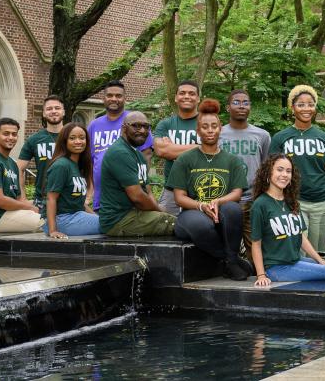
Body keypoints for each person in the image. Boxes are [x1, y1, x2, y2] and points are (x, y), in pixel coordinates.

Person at [169, 99, 252, 280]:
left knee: (233, 209)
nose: (210, 130)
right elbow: (179, 197)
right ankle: (230, 260)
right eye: (205, 127)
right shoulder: (185, 159)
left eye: (214, 126)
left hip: (220, 213)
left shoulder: (232, 160)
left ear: (220, 128)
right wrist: (201, 206)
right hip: (191, 214)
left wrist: (217, 201)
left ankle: (230, 261)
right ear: (198, 131)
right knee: (201, 225)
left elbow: (237, 193)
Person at [270, 85, 325, 255]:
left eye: (310, 104)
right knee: (299, 251)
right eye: (300, 104)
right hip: (294, 201)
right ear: (292, 107)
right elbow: (272, 173)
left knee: (322, 252)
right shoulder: (280, 138)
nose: (306, 108)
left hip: (323, 202)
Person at [252, 154, 325, 286]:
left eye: (288, 171)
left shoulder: (292, 202)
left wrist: (320, 260)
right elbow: (256, 244)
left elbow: (301, 237)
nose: (284, 174)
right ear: (268, 172)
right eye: (280, 169)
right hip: (276, 268)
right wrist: (261, 275)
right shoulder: (260, 204)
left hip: (295, 261)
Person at [97, 112, 176, 236]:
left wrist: (160, 211)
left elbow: (148, 191)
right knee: (181, 225)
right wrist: (160, 210)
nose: (142, 130)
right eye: (136, 126)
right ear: (124, 128)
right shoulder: (120, 152)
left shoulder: (139, 155)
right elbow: (137, 197)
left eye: (146, 126)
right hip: (119, 220)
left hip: (136, 214)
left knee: (178, 219)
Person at [219, 89, 271, 266]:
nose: (241, 106)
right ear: (228, 107)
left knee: (256, 251)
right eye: (236, 102)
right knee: (226, 250)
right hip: (225, 201)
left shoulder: (262, 135)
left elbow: (266, 169)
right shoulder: (218, 134)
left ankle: (259, 275)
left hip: (252, 200)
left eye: (245, 102)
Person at [88, 80, 153, 210]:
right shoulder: (93, 125)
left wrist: (141, 184)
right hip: (102, 196)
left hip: (129, 195)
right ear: (103, 98)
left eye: (118, 96)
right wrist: (90, 189)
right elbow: (89, 160)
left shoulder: (135, 122)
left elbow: (146, 155)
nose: (114, 99)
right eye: (110, 95)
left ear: (125, 98)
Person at [41, 122, 100, 238]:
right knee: (111, 223)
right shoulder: (61, 165)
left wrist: (96, 217)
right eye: (72, 138)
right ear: (64, 141)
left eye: (82, 138)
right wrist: (53, 231)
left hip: (76, 216)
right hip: (62, 220)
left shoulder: (78, 166)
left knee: (107, 221)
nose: (78, 141)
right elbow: (51, 198)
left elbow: (79, 204)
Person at [153, 80, 201, 215]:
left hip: (201, 190)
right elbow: (161, 150)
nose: (187, 96)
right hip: (171, 191)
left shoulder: (207, 123)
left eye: (191, 93)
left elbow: (212, 152)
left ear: (198, 98)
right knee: (166, 226)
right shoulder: (165, 124)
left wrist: (172, 148)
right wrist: (200, 147)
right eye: (182, 93)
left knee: (202, 226)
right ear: (175, 97)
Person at [17, 95, 65, 208]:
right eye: (49, 109)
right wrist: (23, 199)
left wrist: (88, 196)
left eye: (57, 108)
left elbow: (88, 166)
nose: (53, 111)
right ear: (43, 113)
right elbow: (18, 169)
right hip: (42, 200)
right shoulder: (34, 139)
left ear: (63, 112)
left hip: (70, 199)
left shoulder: (74, 137)